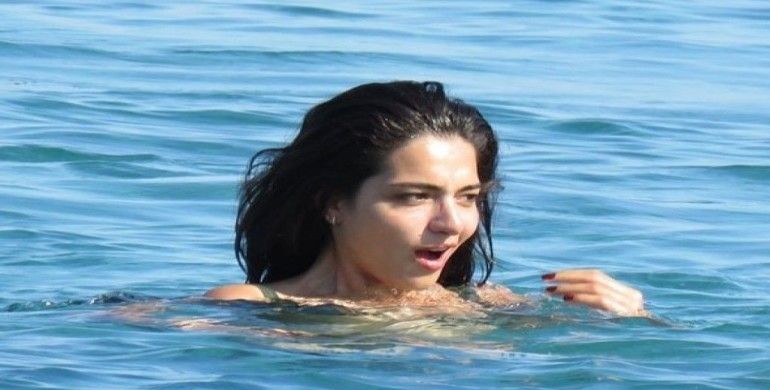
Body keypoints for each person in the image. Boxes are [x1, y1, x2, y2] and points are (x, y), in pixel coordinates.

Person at [206, 81, 645, 316]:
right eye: (416, 196)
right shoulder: (251, 309)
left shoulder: (491, 307)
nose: (450, 224)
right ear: (333, 203)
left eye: (468, 197)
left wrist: (630, 318)